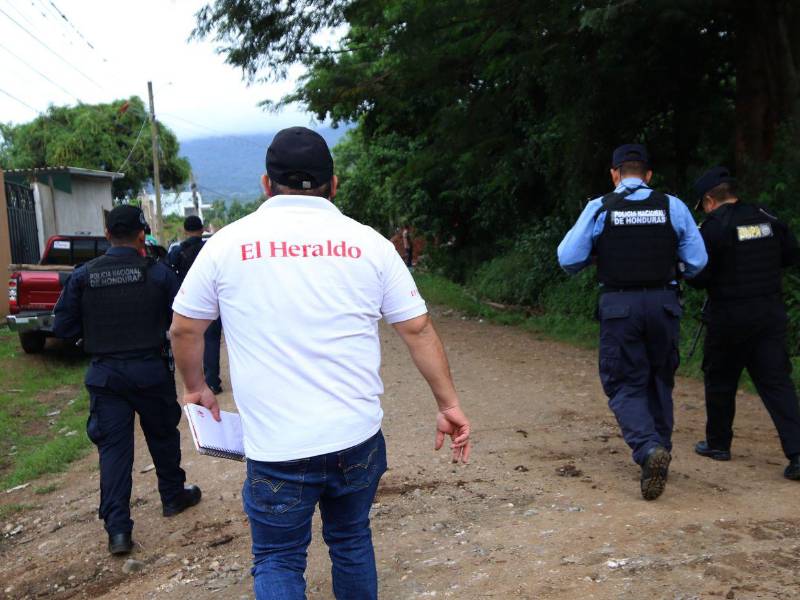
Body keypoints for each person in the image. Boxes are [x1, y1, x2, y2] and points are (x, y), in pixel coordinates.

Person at [170, 126, 471, 600]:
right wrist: (448, 403)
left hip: (276, 447)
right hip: (356, 438)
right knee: (351, 539)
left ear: (266, 185)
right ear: (333, 185)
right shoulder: (369, 243)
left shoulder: (227, 244)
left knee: (277, 557)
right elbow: (416, 328)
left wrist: (196, 387)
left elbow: (186, 329)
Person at [557, 143, 708, 500]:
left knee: (624, 383)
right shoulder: (673, 205)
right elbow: (699, 261)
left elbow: (567, 258)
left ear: (614, 174)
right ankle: (660, 447)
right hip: (664, 304)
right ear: (648, 175)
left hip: (619, 307)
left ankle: (648, 449)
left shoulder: (601, 207)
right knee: (659, 378)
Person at [53, 205, 201, 556]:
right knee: (163, 435)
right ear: (141, 235)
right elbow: (183, 318)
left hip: (106, 377)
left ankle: (118, 531)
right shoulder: (159, 273)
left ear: (106, 236)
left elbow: (62, 328)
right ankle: (172, 497)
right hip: (150, 371)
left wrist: (91, 340)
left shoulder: (83, 276)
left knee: (114, 452)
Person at [687, 166, 800, 480]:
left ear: (709, 199)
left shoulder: (712, 228)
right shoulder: (767, 217)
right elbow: (791, 254)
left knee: (720, 379)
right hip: (768, 313)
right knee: (777, 383)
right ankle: (798, 453)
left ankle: (718, 443)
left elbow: (699, 276)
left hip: (729, 316)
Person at [168, 215, 223, 394]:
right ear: (201, 230)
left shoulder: (177, 251)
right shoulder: (211, 248)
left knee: (189, 339)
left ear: (185, 231)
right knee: (212, 340)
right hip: (212, 301)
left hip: (188, 302)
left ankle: (194, 382)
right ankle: (212, 381)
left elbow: (170, 274)